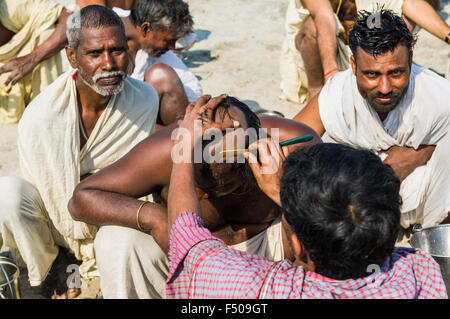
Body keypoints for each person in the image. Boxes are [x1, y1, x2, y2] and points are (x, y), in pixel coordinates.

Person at [165, 98, 447, 298]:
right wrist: (281, 192)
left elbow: (188, 239)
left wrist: (185, 145)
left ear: (297, 247)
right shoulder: (420, 271)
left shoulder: (257, 288)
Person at [68, 94, 321, 298]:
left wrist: (282, 189)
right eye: (198, 187)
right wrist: (154, 217)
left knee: (312, 217)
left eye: (225, 184)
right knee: (116, 240)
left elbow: (336, 229)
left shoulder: (289, 144)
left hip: (271, 266)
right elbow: (81, 197)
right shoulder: (167, 150)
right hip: (189, 262)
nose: (204, 193)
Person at [0, 5, 159, 298]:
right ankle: (50, 272)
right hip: (58, 226)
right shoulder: (41, 116)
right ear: (72, 57)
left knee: (118, 240)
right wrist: (67, 255)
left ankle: (101, 266)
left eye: (117, 50)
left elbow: (140, 177)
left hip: (109, 221)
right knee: (7, 194)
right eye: (95, 53)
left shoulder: (144, 99)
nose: (109, 63)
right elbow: (47, 195)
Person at [293, 9, 450, 242]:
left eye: (396, 73)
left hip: (420, 201)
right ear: (354, 65)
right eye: (372, 75)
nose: (385, 87)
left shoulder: (438, 95)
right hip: (355, 204)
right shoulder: (337, 94)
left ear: (410, 59)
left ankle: (434, 236)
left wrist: (420, 153)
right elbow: (291, 141)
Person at [280, 0, 450, 105]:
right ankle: (316, 93)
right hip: (324, 54)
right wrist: (333, 76)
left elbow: (407, 4)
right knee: (311, 27)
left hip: (365, 46)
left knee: (403, 13)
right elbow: (323, 17)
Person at [115, 0, 203, 126]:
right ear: (146, 29)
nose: (172, 47)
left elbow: (194, 90)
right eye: (168, 41)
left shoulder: (152, 48)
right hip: (117, 127)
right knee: (160, 75)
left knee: (160, 76)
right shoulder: (105, 42)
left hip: (141, 122)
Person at [0, 0, 72, 124]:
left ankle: (46, 114)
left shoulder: (12, 8)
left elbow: (71, 19)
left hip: (22, 69)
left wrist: (31, 59)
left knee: (47, 32)